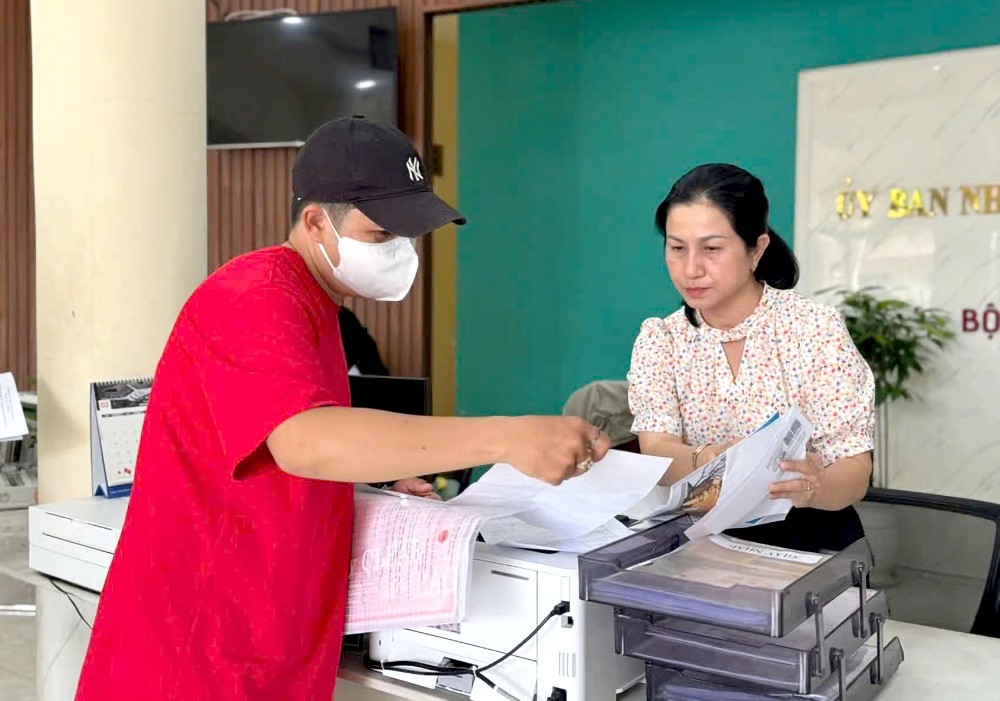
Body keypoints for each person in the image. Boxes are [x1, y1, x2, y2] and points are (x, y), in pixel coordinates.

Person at [75, 116, 610, 701]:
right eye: (381, 235)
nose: (401, 252)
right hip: (198, 652)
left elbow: (280, 454)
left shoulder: (316, 306)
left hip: (268, 636)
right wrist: (507, 439)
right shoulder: (254, 297)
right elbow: (304, 440)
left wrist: (372, 480)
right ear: (315, 222)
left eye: (408, 237)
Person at [627, 163, 874, 553]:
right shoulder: (662, 339)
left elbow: (855, 469)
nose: (691, 269)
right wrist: (718, 459)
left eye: (712, 248)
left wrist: (816, 486)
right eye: (677, 248)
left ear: (756, 249)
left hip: (810, 540)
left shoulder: (813, 329)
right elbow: (657, 451)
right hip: (700, 542)